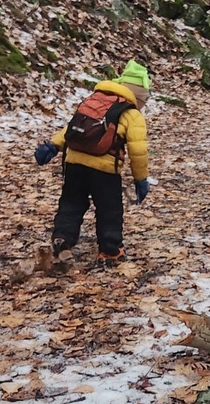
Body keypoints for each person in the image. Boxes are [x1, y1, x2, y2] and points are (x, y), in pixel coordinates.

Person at [34, 60, 150, 266]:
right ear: (139, 95)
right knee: (109, 208)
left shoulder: (95, 100)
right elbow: (138, 151)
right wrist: (141, 179)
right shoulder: (132, 114)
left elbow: (73, 128)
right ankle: (110, 250)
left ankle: (62, 240)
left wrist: (52, 146)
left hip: (74, 162)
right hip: (104, 169)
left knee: (72, 201)